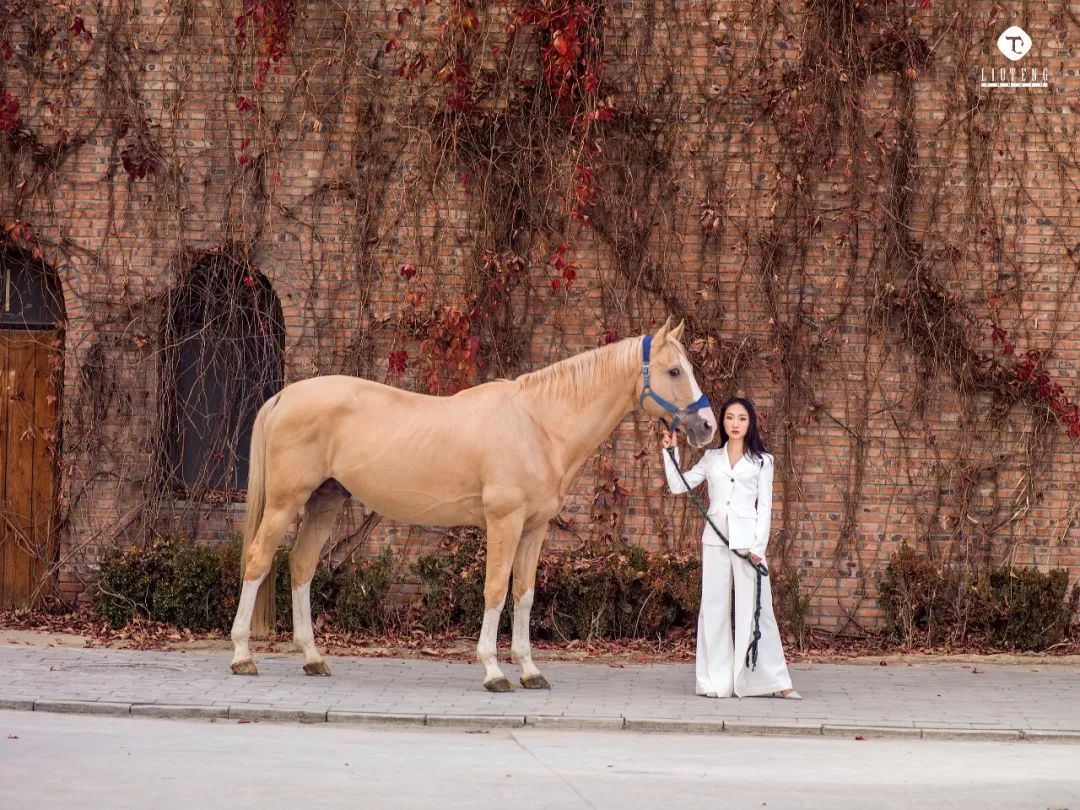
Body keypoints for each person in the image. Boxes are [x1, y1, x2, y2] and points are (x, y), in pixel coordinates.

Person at [661, 396, 800, 699]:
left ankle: (776, 681)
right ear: (722, 423)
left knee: (757, 610)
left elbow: (765, 507)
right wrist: (669, 451)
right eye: (730, 418)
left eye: (742, 418)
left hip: (747, 543)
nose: (735, 423)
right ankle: (716, 681)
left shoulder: (763, 461)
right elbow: (678, 486)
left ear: (750, 424)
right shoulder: (711, 459)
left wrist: (758, 547)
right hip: (715, 539)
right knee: (713, 609)